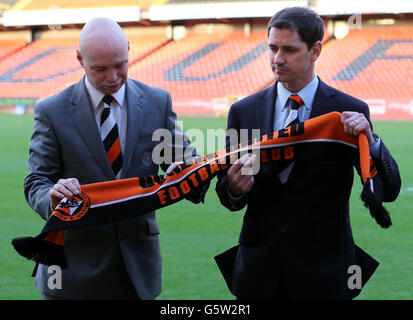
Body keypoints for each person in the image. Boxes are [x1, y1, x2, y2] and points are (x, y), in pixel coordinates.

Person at [215, 7, 401, 300]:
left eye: (289, 49)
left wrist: (373, 142)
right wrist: (235, 189)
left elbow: (388, 191)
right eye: (272, 48)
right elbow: (227, 195)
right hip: (259, 274)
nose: (277, 59)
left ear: (316, 51)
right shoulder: (243, 111)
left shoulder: (348, 111)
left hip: (325, 274)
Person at [24, 17, 207, 300]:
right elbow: (36, 181)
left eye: (120, 64)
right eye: (100, 69)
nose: (113, 77)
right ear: (79, 59)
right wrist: (51, 195)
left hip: (137, 272)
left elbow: (191, 164)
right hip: (72, 272)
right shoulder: (52, 111)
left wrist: (186, 170)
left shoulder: (158, 102)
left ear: (130, 50)